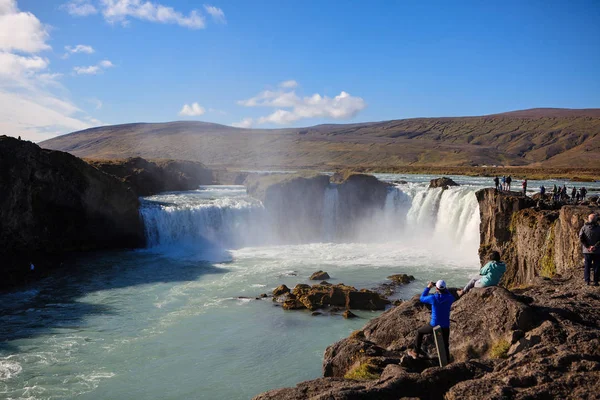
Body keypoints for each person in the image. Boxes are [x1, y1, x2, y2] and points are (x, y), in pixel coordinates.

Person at [408, 280, 454, 361]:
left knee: (420, 332)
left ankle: (415, 352)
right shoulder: (450, 298)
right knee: (445, 344)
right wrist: (443, 289)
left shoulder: (433, 298)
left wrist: (428, 287)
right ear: (445, 288)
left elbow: (422, 298)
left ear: (436, 288)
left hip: (434, 324)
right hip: (445, 326)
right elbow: (448, 294)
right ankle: (447, 360)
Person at [579, 214, 600, 286]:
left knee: (587, 265)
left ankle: (587, 280)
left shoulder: (584, 228)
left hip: (587, 251)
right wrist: (595, 246)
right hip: (597, 251)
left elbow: (581, 238)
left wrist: (588, 247)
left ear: (589, 219)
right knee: (597, 266)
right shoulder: (599, 228)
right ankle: (596, 281)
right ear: (595, 220)